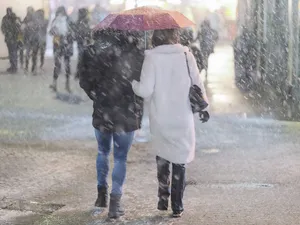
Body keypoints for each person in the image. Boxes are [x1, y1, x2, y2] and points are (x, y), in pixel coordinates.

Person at [132, 29, 209, 218]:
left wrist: (133, 83)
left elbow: (145, 90)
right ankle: (177, 205)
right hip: (182, 116)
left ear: (155, 37)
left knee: (163, 156)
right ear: (175, 35)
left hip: (161, 117)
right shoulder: (185, 54)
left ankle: (163, 197)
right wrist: (205, 107)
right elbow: (197, 83)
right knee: (180, 160)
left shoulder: (151, 58)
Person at [79, 30, 144, 219]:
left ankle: (101, 195)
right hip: (127, 111)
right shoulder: (135, 52)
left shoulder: (92, 51)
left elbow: (84, 82)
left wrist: (96, 94)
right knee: (121, 157)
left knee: (102, 151)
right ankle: (115, 203)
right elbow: (142, 82)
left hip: (102, 109)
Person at [49, 6, 74, 92]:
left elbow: (73, 32)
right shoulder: (63, 20)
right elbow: (51, 32)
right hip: (62, 45)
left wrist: (62, 35)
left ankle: (58, 84)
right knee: (63, 65)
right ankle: (62, 85)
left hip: (60, 45)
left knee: (60, 65)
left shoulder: (63, 21)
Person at [1, 8, 20, 73]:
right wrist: (6, 32)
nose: (8, 12)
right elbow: (2, 27)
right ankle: (12, 66)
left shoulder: (15, 18)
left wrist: (14, 34)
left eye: (9, 11)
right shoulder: (5, 18)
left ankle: (14, 67)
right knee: (11, 53)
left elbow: (18, 27)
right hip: (8, 39)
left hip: (14, 39)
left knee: (13, 53)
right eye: (7, 11)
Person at [75, 8, 90, 79]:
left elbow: (77, 33)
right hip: (83, 41)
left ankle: (79, 72)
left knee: (81, 57)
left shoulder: (79, 21)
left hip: (82, 41)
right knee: (82, 57)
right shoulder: (84, 22)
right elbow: (85, 31)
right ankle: (80, 73)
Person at [22, 6, 35, 73]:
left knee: (33, 54)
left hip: (33, 39)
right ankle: (27, 66)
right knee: (27, 53)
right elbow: (23, 27)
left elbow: (38, 26)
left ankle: (33, 67)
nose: (29, 12)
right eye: (28, 10)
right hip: (28, 39)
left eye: (30, 10)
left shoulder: (35, 18)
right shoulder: (26, 18)